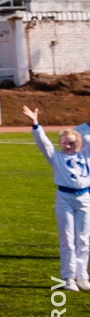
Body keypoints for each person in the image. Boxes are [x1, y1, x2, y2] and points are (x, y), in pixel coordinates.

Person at [27, 107, 90, 291]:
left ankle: (83, 276)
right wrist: (35, 123)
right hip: (64, 198)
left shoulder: (85, 156)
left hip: (85, 197)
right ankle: (69, 277)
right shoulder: (57, 157)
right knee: (67, 238)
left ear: (79, 143)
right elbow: (43, 143)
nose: (67, 146)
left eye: (71, 143)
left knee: (84, 239)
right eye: (64, 143)